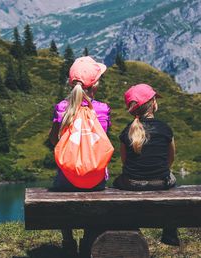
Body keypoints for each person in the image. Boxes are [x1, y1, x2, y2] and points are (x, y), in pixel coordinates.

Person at [49, 56, 111, 256]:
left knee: (60, 183)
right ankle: (88, 239)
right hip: (96, 180)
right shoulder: (102, 110)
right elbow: (101, 141)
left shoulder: (61, 108)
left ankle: (68, 239)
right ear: (96, 85)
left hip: (66, 179)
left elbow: (53, 140)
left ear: (70, 82)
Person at [113, 83, 179, 246]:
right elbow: (170, 159)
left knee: (117, 182)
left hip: (132, 183)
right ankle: (170, 232)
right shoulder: (165, 129)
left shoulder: (127, 131)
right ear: (153, 104)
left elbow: (125, 161)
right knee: (173, 180)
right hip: (160, 182)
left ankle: (132, 227)